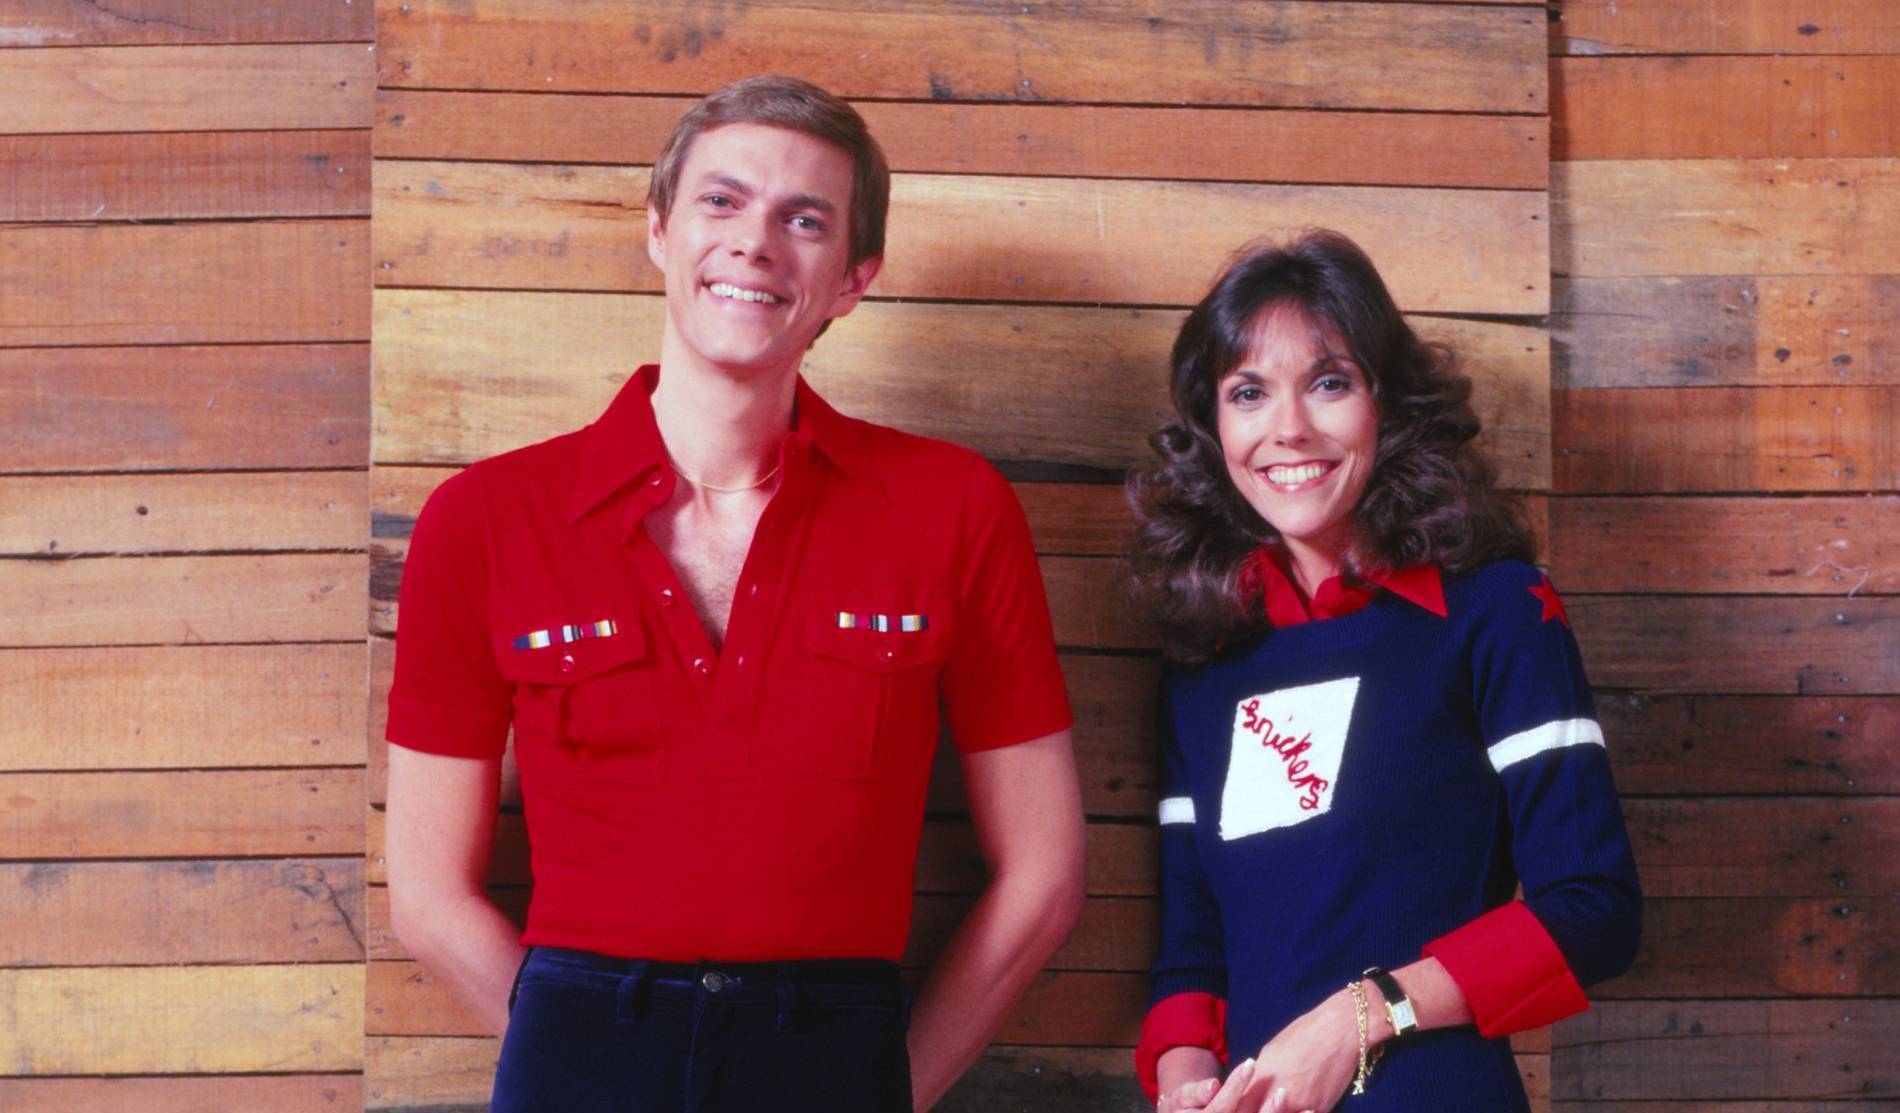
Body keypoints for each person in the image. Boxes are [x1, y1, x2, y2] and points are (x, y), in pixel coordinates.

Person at [382, 75, 1085, 1113]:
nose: (755, 242)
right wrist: (583, 1059)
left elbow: (1046, 877)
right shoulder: (483, 518)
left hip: (837, 1050)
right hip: (583, 1051)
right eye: (721, 200)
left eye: (804, 219)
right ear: (659, 232)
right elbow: (428, 899)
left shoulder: (952, 509)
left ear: (853, 277)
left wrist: (883, 1090)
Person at [1124, 231, 1641, 1113]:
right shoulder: (1205, 670)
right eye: (1249, 392)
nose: (1288, 428)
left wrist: (1361, 1015)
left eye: (1329, 382)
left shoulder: (1498, 610)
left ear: (1387, 404)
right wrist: (1184, 1084)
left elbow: (1594, 907)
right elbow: (1192, 952)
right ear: (1214, 429)